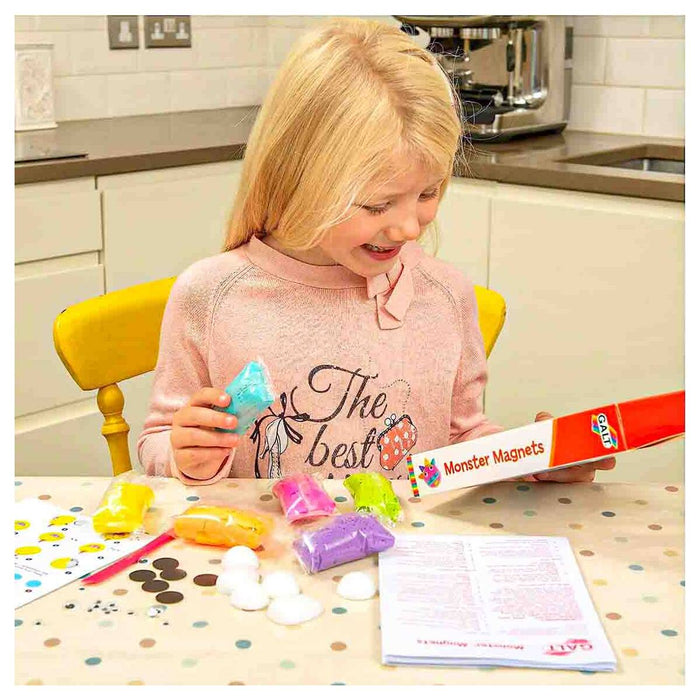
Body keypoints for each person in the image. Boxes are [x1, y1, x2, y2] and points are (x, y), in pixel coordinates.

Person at [138, 18, 615, 485]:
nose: (409, 228)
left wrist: (530, 456)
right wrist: (185, 455)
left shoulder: (445, 296)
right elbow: (159, 440)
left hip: (408, 539)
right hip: (266, 540)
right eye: (377, 204)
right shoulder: (210, 296)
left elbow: (461, 437)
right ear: (297, 178)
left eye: (428, 193)